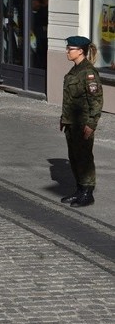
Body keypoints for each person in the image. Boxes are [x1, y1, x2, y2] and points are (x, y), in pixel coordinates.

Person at [60, 36, 103, 208]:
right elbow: (70, 98)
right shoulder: (75, 70)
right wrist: (63, 119)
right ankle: (79, 189)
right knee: (74, 156)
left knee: (84, 157)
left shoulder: (89, 72)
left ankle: (88, 192)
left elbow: (97, 100)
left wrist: (92, 124)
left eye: (70, 49)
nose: (67, 52)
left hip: (83, 122)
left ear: (80, 51)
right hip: (72, 122)